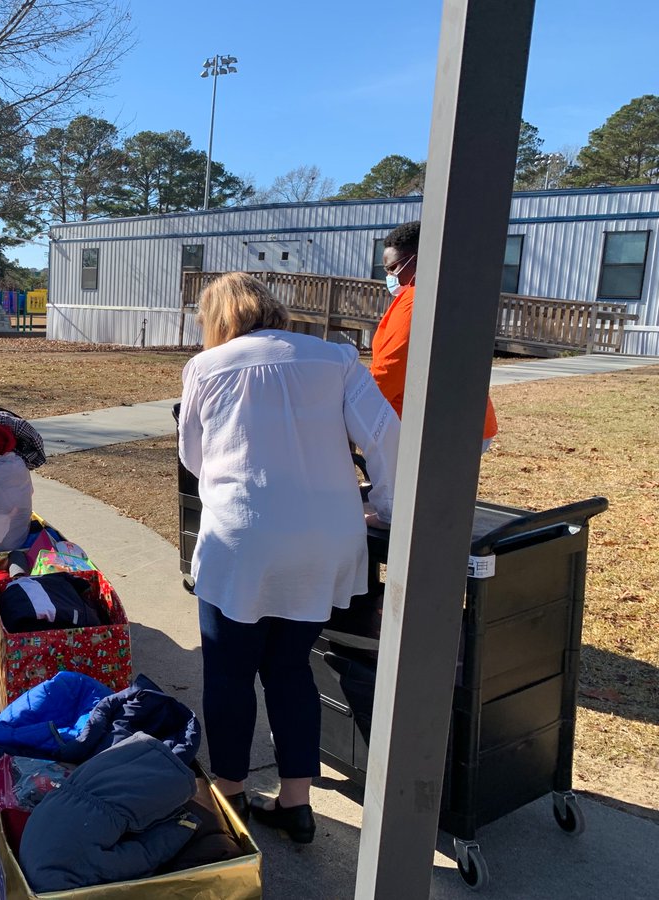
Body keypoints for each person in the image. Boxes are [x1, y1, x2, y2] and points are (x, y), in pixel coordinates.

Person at [178, 273, 399, 845]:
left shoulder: (208, 366)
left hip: (243, 537)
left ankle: (230, 795)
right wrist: (386, 506)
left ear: (218, 319)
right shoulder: (336, 357)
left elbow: (194, 456)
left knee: (229, 671)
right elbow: (385, 436)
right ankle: (297, 801)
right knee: (292, 666)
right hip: (326, 535)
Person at [373, 220, 499, 451]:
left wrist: (355, 408)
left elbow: (390, 369)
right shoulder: (456, 293)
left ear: (418, 260)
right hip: (467, 422)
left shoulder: (415, 301)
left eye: (393, 268)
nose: (390, 276)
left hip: (431, 429)